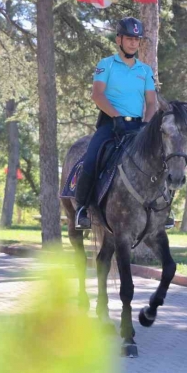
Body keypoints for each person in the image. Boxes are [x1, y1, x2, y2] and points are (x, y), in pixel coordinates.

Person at [74, 17, 159, 230]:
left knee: (161, 160)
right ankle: (82, 209)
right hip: (110, 125)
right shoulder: (106, 65)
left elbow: (152, 102)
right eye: (129, 38)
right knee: (92, 159)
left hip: (138, 127)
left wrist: (147, 125)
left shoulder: (145, 71)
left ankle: (162, 209)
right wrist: (116, 117)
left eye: (137, 39)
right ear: (118, 39)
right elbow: (98, 95)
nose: (133, 43)